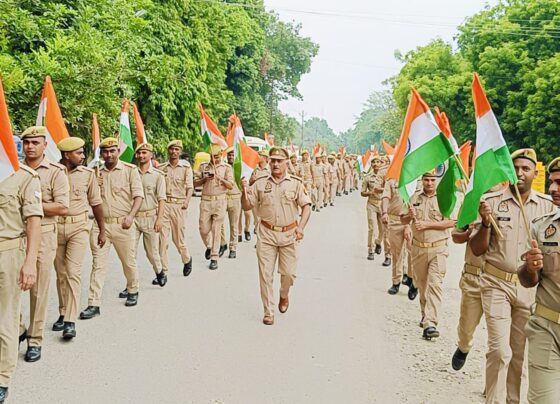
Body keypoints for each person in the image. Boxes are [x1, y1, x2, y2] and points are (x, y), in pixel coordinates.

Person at [470, 149, 554, 404]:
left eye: (525, 169)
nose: (519, 173)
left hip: (529, 289)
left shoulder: (547, 206)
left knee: (518, 354)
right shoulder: (491, 201)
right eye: (515, 168)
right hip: (496, 283)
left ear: (535, 174)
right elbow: (477, 249)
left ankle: (512, 401)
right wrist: (485, 223)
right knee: (500, 350)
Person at [241, 147, 311, 325]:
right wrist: (244, 190)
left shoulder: (295, 183)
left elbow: (306, 206)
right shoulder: (259, 183)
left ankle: (284, 294)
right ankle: (268, 311)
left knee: (288, 274)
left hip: (289, 235)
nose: (275, 164)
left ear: (286, 162)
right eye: (273, 160)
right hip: (266, 234)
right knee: (265, 274)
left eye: (279, 161)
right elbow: (247, 206)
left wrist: (301, 227)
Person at [19, 126, 69, 363]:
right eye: (27, 142)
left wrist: (29, 206)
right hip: (14, 234)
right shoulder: (13, 169)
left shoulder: (56, 172)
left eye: (35, 142)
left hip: (44, 234)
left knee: (38, 290)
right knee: (7, 284)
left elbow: (61, 207)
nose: (30, 146)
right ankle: (19, 326)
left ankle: (35, 339)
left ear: (44, 145)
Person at [80, 137, 144, 319]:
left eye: (112, 151)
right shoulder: (95, 172)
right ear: (101, 154)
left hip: (123, 224)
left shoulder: (130, 171)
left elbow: (138, 196)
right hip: (101, 225)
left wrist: (131, 217)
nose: (108, 155)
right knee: (97, 265)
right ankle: (94, 303)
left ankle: (133, 289)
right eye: (105, 152)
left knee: (128, 261)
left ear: (118, 152)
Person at [53, 137, 104, 340]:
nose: (83, 157)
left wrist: (102, 229)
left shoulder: (87, 174)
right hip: (55, 228)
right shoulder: (52, 173)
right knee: (61, 274)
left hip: (79, 227)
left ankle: (70, 321)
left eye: (83, 152)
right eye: (79, 153)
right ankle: (63, 310)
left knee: (73, 272)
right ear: (67, 155)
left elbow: (96, 202)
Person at [519, 156, 560, 403]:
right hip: (546, 328)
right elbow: (527, 281)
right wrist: (530, 267)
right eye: (553, 182)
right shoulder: (541, 228)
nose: (553, 189)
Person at [0, 162, 42, 403]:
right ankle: (21, 330)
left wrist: (30, 262)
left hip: (8, 252)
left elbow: (34, 221)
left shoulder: (24, 177)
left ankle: (2, 378)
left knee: (4, 318)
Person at [402, 172, 456, 340]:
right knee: (422, 286)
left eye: (433, 180)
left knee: (434, 285)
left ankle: (431, 323)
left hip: (438, 249)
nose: (430, 183)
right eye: (426, 180)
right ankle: (425, 314)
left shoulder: (444, 199)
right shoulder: (414, 198)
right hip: (418, 249)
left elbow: (451, 221)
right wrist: (408, 217)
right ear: (422, 181)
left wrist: (427, 224)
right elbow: (403, 219)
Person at [131, 143, 167, 290]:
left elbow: (161, 199)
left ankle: (159, 272)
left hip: (150, 217)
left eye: (144, 153)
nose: (141, 156)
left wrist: (159, 219)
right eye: (139, 153)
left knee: (151, 252)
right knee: (129, 254)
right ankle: (131, 285)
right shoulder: (131, 173)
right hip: (133, 218)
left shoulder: (158, 176)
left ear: (151, 155)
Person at [194, 144, 234, 270]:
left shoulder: (226, 168)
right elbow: (195, 183)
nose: (214, 159)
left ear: (221, 155)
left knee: (217, 229)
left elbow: (230, 185)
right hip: (206, 200)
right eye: (212, 157)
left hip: (220, 200)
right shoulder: (204, 166)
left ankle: (214, 257)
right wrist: (204, 179)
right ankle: (209, 246)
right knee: (203, 229)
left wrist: (220, 178)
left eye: (216, 157)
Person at [159, 140, 193, 277]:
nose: (174, 152)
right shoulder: (162, 168)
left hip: (179, 205)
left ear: (180, 152)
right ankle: (163, 271)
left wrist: (187, 201)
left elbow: (190, 187)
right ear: (168, 151)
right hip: (165, 205)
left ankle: (187, 259)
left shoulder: (185, 168)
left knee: (178, 240)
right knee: (162, 240)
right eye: (172, 149)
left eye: (177, 149)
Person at [381, 178, 416, 299]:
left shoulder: (417, 179)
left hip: (412, 222)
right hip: (395, 220)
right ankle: (396, 281)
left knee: (413, 253)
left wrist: (408, 225)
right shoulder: (391, 181)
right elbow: (385, 197)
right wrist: (384, 212)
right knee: (396, 253)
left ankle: (411, 280)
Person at [361, 156, 390, 264]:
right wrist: (370, 193)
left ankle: (379, 242)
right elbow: (362, 192)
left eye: (378, 162)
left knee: (384, 229)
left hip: (384, 205)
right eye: (374, 162)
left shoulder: (387, 176)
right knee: (372, 228)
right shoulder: (368, 177)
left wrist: (382, 189)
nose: (376, 164)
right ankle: (371, 250)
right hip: (372, 204)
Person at [221, 146, 242, 259]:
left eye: (233, 155)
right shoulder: (223, 167)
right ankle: (222, 243)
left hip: (235, 198)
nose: (231, 157)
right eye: (229, 155)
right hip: (223, 197)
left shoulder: (241, 168)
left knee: (234, 225)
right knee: (218, 223)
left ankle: (233, 247)